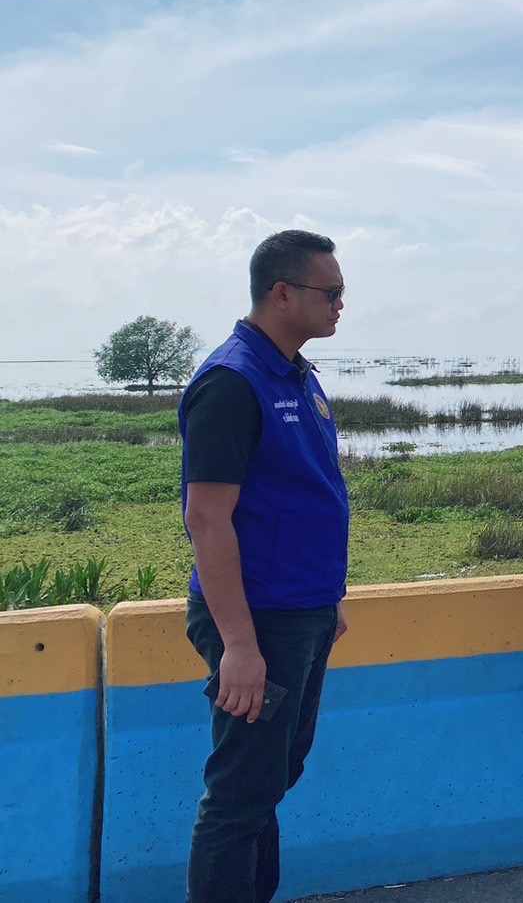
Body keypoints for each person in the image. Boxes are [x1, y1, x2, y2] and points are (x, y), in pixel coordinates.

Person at [179, 229, 351, 902]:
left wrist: (327, 596)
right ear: (282, 294)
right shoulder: (233, 382)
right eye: (329, 292)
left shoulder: (298, 375)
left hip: (301, 612)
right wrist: (240, 648)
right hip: (258, 621)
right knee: (239, 796)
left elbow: (306, 492)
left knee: (274, 779)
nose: (340, 305)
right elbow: (206, 519)